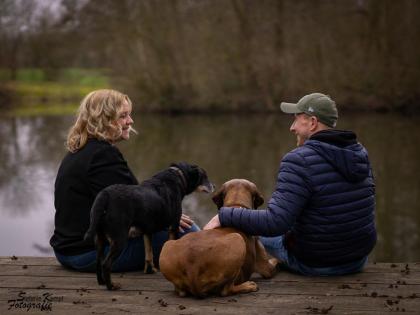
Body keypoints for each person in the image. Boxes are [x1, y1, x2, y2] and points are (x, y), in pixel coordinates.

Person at [204, 92, 376, 276]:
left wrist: (225, 216)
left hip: (318, 264)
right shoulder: (358, 153)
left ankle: (256, 267)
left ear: (312, 123)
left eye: (296, 120)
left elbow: (275, 223)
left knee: (250, 228)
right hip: (357, 260)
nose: (291, 127)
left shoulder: (298, 160)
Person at [50, 89, 198, 272]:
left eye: (129, 114)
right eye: (123, 116)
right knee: (188, 233)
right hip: (88, 254)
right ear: (104, 119)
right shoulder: (103, 156)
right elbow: (140, 213)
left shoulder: (81, 150)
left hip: (67, 252)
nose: (130, 121)